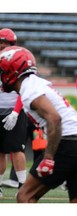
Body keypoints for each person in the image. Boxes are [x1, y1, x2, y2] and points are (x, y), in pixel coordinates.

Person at [0, 45, 77, 203]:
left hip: (69, 143)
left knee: (25, 196)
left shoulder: (29, 88)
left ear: (13, 71)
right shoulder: (36, 83)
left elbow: (55, 118)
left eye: (3, 71)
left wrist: (49, 157)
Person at [0, 28, 27, 197]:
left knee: (17, 150)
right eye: (0, 43)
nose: (2, 46)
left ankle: (23, 186)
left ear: (12, 45)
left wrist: (16, 112)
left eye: (6, 43)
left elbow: (24, 89)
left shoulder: (18, 61)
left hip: (14, 111)